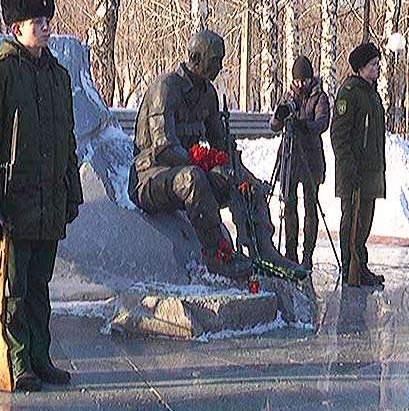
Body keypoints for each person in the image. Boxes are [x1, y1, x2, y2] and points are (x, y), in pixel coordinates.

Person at [0, 0, 82, 392]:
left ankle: (40, 357)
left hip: (49, 198)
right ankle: (18, 363)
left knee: (39, 286)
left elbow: (67, 138)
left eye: (48, 21)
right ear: (17, 28)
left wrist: (72, 191)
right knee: (13, 288)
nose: (46, 28)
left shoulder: (57, 76)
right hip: (14, 201)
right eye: (38, 23)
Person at [128, 30, 301, 282]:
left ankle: (263, 251)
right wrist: (207, 167)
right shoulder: (166, 89)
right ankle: (217, 256)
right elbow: (164, 147)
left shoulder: (208, 95)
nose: (219, 67)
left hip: (188, 173)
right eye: (214, 61)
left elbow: (221, 147)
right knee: (194, 178)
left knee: (242, 184)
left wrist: (245, 178)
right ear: (195, 58)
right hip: (151, 177)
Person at [330, 42, 386, 286]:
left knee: (364, 222)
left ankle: (360, 266)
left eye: (377, 64)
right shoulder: (350, 93)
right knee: (351, 222)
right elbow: (339, 135)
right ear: (361, 68)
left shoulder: (371, 93)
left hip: (370, 171)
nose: (377, 69)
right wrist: (349, 167)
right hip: (354, 172)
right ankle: (349, 267)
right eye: (373, 65)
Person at [269, 56, 330, 271]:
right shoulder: (288, 96)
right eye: (297, 81)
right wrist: (279, 116)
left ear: (310, 78)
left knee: (310, 207)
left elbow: (323, 123)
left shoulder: (319, 97)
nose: (300, 85)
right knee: (289, 205)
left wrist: (304, 126)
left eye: (304, 80)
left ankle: (307, 255)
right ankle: (290, 252)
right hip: (290, 156)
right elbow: (274, 126)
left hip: (311, 156)